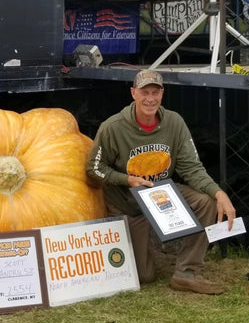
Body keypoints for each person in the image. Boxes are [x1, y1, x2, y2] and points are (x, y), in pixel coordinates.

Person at [86, 69, 236, 295]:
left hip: (162, 196)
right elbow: (93, 169)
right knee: (145, 276)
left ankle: (187, 272)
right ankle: (144, 248)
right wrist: (126, 179)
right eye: (144, 92)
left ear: (162, 94)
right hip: (129, 203)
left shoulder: (174, 123)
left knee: (206, 202)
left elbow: (191, 167)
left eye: (155, 92)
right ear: (133, 93)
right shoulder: (113, 127)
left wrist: (219, 193)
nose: (150, 98)